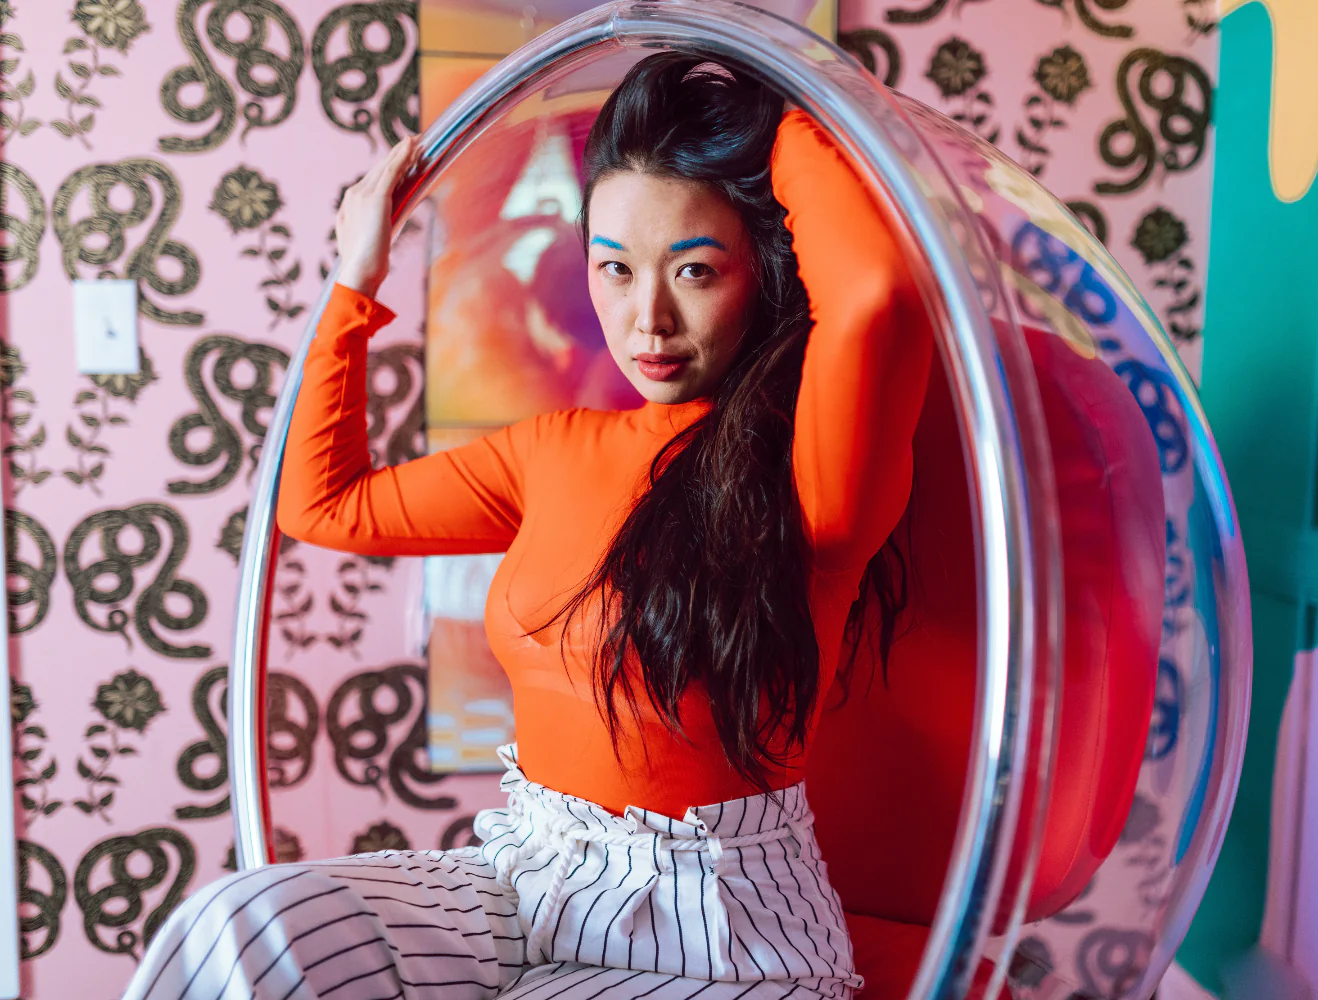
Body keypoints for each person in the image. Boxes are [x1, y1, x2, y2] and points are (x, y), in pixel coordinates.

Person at [123, 53, 931, 1000]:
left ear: (762, 272)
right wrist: (356, 277)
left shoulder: (809, 481)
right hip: (532, 870)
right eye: (615, 269)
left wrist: (778, 107)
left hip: (722, 925)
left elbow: (875, 289)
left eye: (697, 271)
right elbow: (323, 504)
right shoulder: (553, 450)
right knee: (239, 933)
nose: (649, 319)